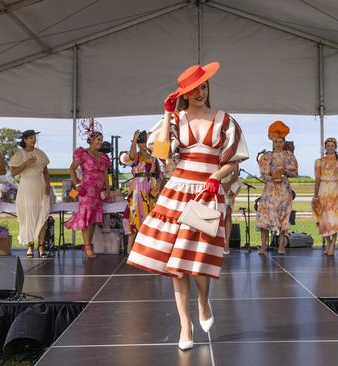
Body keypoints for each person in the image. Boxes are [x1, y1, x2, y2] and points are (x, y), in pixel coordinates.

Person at [126, 62, 248, 350]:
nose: (200, 92)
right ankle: (185, 325)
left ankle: (204, 302)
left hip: (207, 192)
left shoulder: (224, 120)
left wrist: (216, 178)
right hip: (177, 191)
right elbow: (160, 152)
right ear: (184, 94)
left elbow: (234, 159)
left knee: (198, 260)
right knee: (177, 264)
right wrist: (167, 114)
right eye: (194, 89)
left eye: (203, 87)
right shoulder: (176, 119)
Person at [65, 119, 111, 259]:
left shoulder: (103, 156)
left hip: (98, 190)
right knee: (86, 216)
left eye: (101, 140)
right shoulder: (83, 153)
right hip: (86, 188)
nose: (100, 142)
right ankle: (88, 246)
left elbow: (104, 173)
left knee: (93, 218)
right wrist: (78, 185)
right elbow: (72, 169)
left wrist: (107, 189)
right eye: (98, 139)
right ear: (91, 140)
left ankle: (88, 245)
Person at [256, 121, 298, 255]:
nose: (278, 144)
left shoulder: (289, 155)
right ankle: (263, 245)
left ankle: (281, 246)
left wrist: (285, 171)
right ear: (272, 143)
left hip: (284, 189)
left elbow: (295, 173)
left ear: (284, 142)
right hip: (270, 190)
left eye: (280, 142)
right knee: (265, 215)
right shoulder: (267, 156)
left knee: (283, 216)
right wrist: (272, 177)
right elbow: (264, 175)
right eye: (276, 142)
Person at [9, 130, 51, 258]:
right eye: (31, 138)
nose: (33, 140)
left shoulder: (40, 153)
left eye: (34, 138)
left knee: (42, 217)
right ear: (25, 140)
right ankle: (30, 246)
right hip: (26, 187)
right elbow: (14, 172)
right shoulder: (19, 154)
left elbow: (45, 171)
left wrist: (48, 185)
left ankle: (41, 247)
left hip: (40, 185)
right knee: (28, 217)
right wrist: (26, 163)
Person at [121, 130, 163, 253]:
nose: (145, 145)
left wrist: (158, 186)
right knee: (135, 217)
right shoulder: (136, 156)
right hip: (137, 191)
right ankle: (130, 249)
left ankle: (146, 249)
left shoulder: (154, 158)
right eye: (142, 142)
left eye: (146, 142)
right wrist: (134, 140)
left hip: (151, 190)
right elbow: (131, 156)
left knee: (150, 217)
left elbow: (160, 174)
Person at [312, 137, 338, 256]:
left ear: (335, 147)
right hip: (323, 190)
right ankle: (328, 242)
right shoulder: (319, 161)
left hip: (334, 190)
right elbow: (317, 179)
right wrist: (315, 195)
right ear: (325, 147)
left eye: (332, 145)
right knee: (324, 218)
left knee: (334, 218)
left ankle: (333, 242)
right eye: (327, 145)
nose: (330, 148)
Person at [222, 165, 241, 255]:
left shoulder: (233, 154)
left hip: (230, 186)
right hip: (216, 183)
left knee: (228, 214)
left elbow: (236, 173)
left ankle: (226, 244)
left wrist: (228, 184)